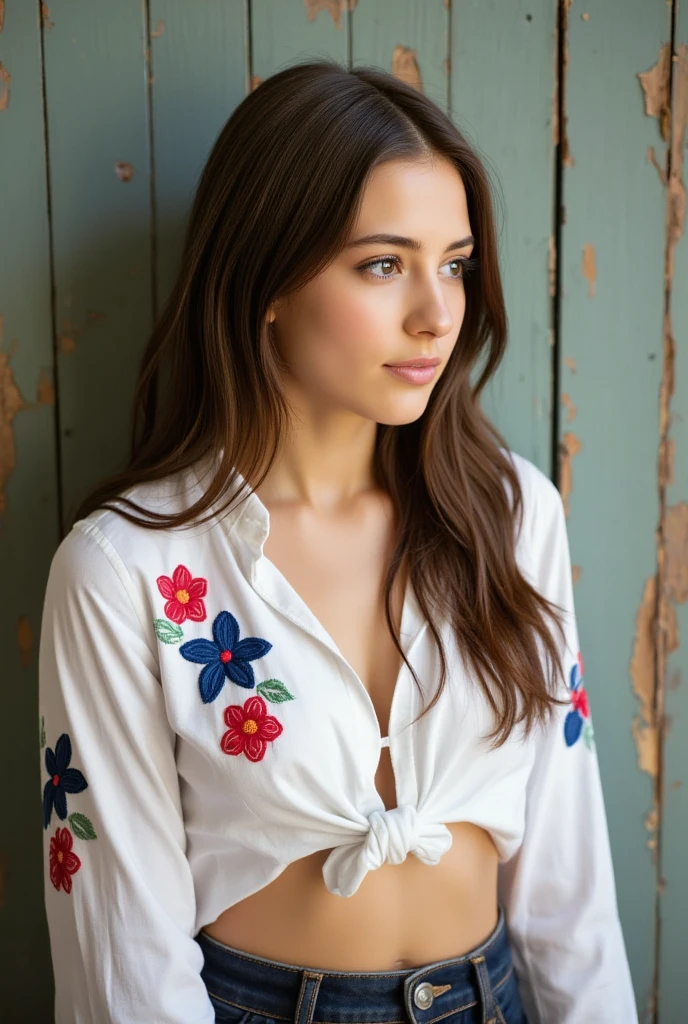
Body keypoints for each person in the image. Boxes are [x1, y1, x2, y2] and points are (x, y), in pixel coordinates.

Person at [38, 59, 637, 1023]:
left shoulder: (512, 514)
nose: (438, 315)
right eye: (383, 264)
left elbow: (572, 889)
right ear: (266, 279)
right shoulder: (127, 572)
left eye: (454, 262)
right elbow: (123, 961)